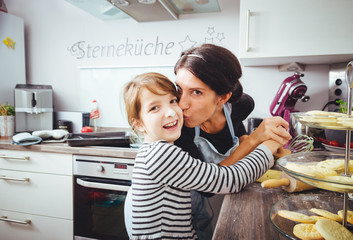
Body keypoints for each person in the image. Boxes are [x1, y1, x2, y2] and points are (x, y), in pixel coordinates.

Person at [123, 72, 284, 239]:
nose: (170, 112)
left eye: (172, 101)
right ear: (139, 124)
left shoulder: (154, 149)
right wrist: (268, 146)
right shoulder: (161, 154)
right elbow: (230, 180)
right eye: (154, 108)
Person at [173, 43, 292, 238]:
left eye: (196, 92)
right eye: (179, 89)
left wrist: (268, 145)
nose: (181, 104)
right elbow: (208, 187)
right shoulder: (179, 131)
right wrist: (256, 138)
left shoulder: (241, 105)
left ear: (223, 98)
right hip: (173, 212)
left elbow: (238, 135)